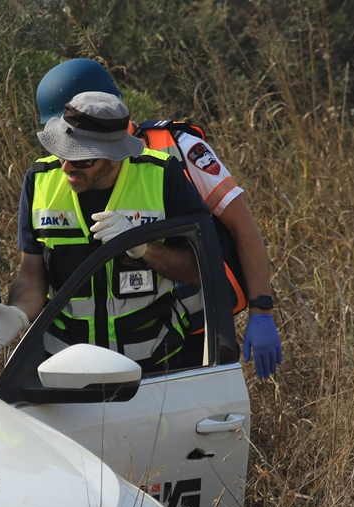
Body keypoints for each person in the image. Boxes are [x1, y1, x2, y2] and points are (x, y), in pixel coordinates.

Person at [32, 59, 283, 379]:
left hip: (189, 334)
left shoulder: (179, 149)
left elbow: (243, 227)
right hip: (104, 345)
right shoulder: (68, 171)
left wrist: (261, 310)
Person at [0, 92, 209, 371]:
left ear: (114, 156)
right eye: (62, 154)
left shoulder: (162, 175)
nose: (67, 167)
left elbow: (200, 269)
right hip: (66, 365)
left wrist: (144, 246)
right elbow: (31, 275)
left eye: (82, 160)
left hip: (156, 362)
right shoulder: (39, 181)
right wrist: (18, 313)